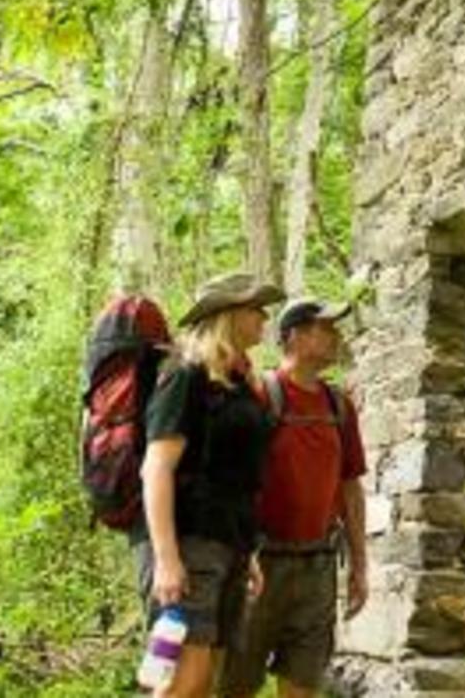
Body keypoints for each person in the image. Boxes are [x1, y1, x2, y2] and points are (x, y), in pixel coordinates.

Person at [139, 271, 284, 698]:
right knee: (182, 681)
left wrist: (248, 551)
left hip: (231, 545)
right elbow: (156, 469)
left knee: (206, 680)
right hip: (191, 546)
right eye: (255, 308)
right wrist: (166, 559)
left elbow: (237, 475)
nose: (264, 316)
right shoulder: (186, 375)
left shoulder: (238, 385)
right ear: (229, 314)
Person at [221, 296, 368, 698]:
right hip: (260, 566)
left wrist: (359, 564)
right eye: (327, 328)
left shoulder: (340, 406)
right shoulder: (260, 394)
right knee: (234, 686)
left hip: (319, 567)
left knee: (303, 688)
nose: (337, 336)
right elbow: (234, 480)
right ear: (296, 337)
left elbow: (350, 488)